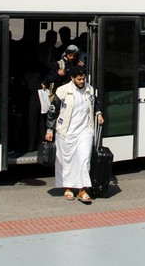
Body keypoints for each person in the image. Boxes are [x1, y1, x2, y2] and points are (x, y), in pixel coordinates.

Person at [45, 65, 104, 203]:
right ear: (72, 79)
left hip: (85, 131)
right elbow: (53, 111)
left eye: (83, 79)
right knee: (67, 162)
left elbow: (95, 103)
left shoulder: (89, 89)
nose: (82, 82)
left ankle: (83, 190)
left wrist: (99, 113)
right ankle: (69, 188)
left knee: (84, 160)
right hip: (66, 132)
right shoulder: (62, 91)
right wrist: (49, 130)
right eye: (79, 79)